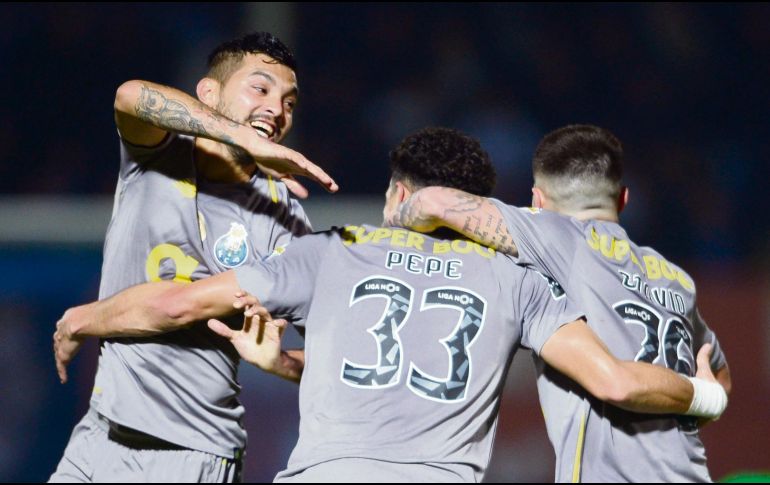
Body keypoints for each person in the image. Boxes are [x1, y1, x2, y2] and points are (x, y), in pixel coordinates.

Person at [54, 127, 726, 482]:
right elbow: (612, 378)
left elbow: (180, 305)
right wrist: (704, 394)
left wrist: (85, 317)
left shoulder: (337, 250)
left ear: (395, 196)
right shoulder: (517, 281)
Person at [49, 32, 337, 483]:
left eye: (290, 102)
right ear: (209, 92)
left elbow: (340, 356)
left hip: (188, 453)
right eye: (260, 89)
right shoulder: (156, 154)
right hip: (97, 435)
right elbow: (130, 95)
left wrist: (281, 363)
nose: (277, 110)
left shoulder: (284, 219)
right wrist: (241, 135)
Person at [386, 124, 732, 482]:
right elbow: (719, 380)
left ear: (537, 201)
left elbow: (431, 201)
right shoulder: (676, 279)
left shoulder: (553, 236)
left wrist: (389, 224)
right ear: (623, 199)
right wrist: (704, 399)